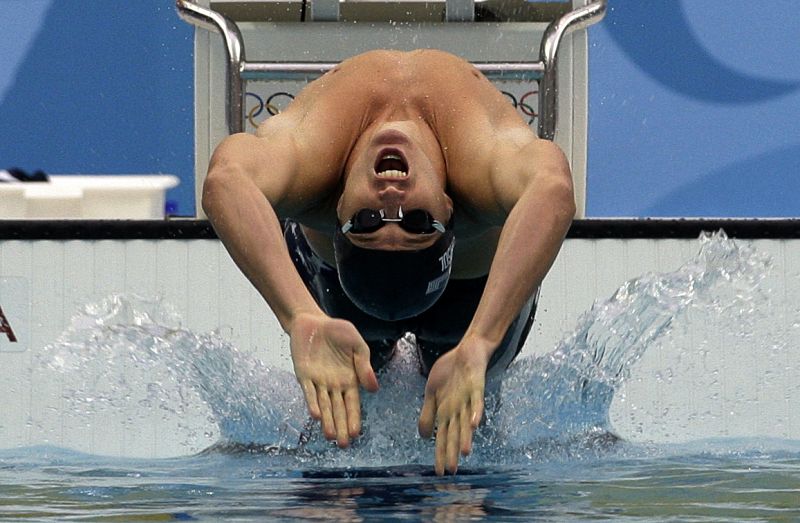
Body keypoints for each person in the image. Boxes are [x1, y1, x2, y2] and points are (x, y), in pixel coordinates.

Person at [202, 49, 575, 475]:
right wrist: (303, 318)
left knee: (468, 410)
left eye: (366, 222)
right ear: (448, 209)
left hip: (464, 290)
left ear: (338, 208)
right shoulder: (479, 168)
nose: (391, 202)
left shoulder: (312, 167)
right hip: (350, 291)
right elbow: (554, 186)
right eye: (418, 223)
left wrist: (478, 341)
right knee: (345, 406)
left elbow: (225, 177)